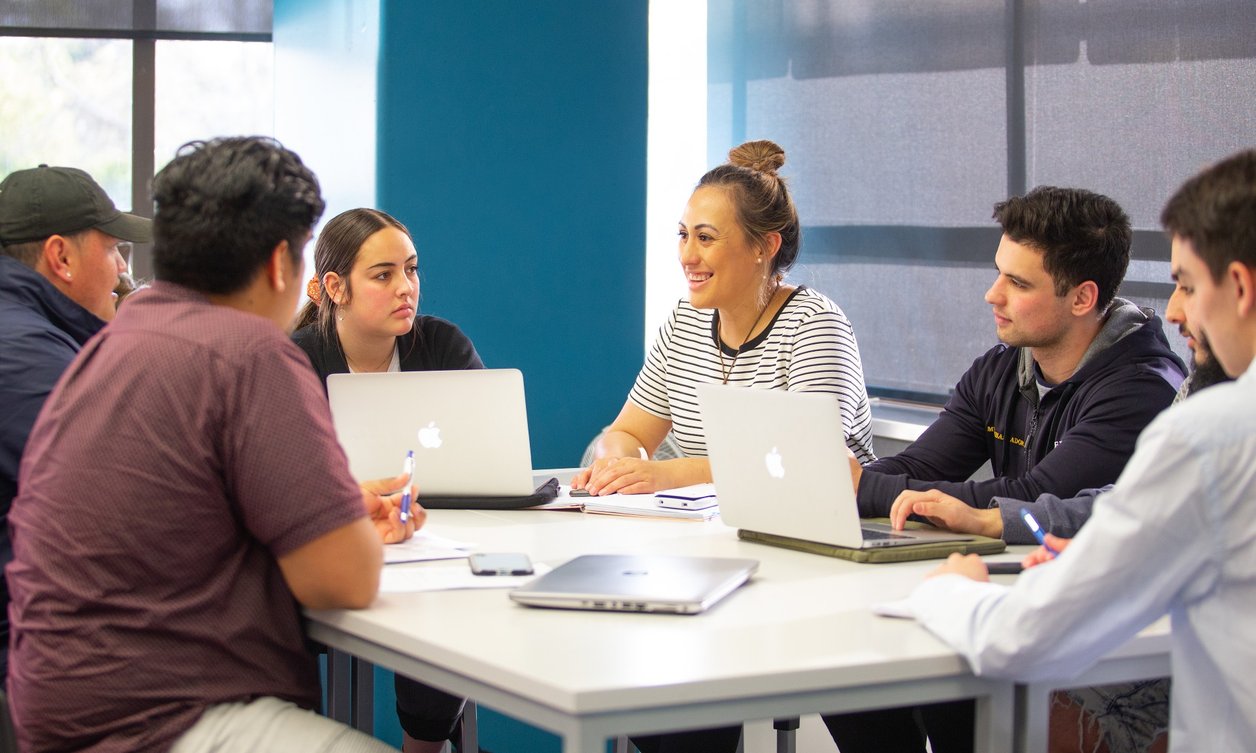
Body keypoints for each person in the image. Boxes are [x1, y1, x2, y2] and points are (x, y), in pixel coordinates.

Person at [7, 137, 415, 753]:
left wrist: (328, 510)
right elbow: (346, 579)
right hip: (159, 720)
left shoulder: (114, 342)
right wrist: (340, 524)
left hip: (59, 706)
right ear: (282, 262)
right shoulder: (250, 352)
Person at [905, 147, 1256, 753]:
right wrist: (1106, 545)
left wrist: (949, 586)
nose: (1173, 311)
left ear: (1241, 287)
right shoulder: (1000, 369)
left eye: (1187, 286)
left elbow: (1021, 639)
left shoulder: (1211, 434)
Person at [829, 187, 1187, 753]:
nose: (992, 295)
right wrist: (834, 482)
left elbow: (1040, 493)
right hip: (1009, 598)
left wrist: (863, 486)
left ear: (1082, 297)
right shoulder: (1002, 367)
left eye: (1018, 284)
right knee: (846, 665)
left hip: (1076, 635)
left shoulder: (1141, 387)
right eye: (1000, 273)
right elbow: (922, 463)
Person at [573, 139, 875, 499]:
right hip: (717, 528)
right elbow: (627, 434)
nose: (687, 256)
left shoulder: (815, 326)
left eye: (705, 238)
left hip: (823, 526)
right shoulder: (683, 323)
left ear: (765, 246)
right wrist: (619, 465)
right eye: (683, 235)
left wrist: (666, 474)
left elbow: (805, 463)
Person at [292, 207, 483, 753]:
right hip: (332, 549)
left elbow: (487, 457)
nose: (407, 288)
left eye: (412, 270)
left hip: (430, 544)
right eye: (383, 275)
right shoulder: (298, 359)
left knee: (446, 608)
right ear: (336, 287)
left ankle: (422, 748)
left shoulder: (443, 346)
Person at [0, 164, 151, 680]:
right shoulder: (25, 355)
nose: (123, 272)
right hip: (35, 658)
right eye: (113, 251)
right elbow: (129, 497)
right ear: (61, 257)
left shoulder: (31, 333)